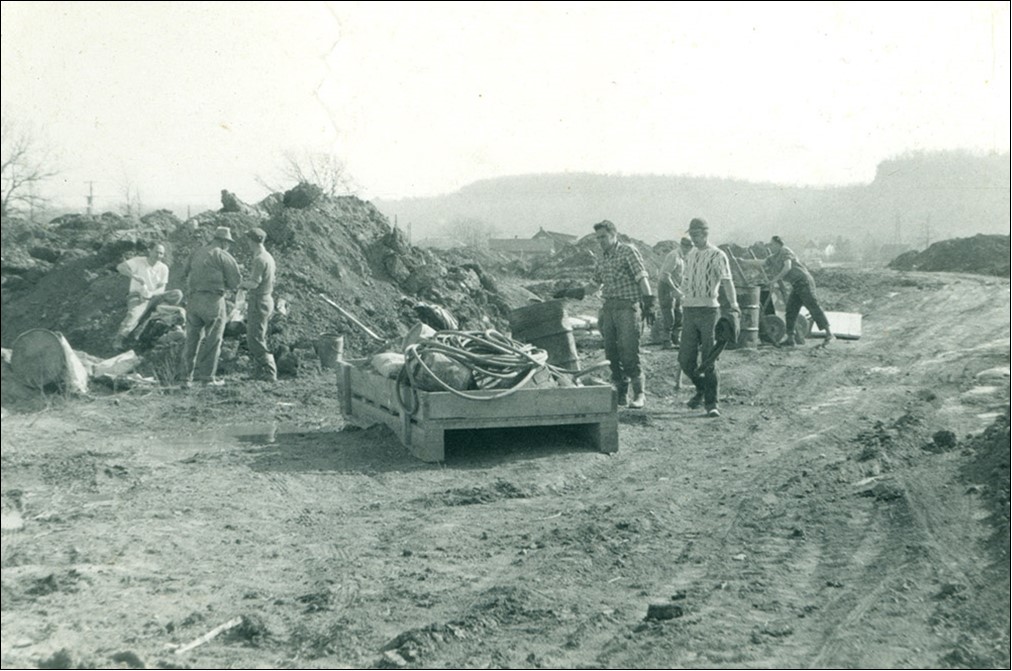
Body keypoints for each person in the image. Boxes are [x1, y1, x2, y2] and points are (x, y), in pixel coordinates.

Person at [554, 220, 655, 409]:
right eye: (598, 238)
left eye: (603, 237)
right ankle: (621, 394)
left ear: (614, 234)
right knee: (611, 353)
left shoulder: (628, 251)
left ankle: (639, 394)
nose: (600, 241)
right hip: (608, 309)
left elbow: (642, 277)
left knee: (629, 351)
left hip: (627, 308)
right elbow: (594, 286)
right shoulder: (602, 258)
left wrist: (649, 302)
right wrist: (571, 292)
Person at [675, 217, 739, 418]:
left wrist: (734, 305)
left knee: (709, 359)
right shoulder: (691, 255)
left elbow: (727, 282)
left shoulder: (717, 255)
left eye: (696, 234)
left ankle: (712, 404)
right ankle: (702, 389)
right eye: (691, 234)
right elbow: (685, 281)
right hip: (689, 311)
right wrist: (679, 296)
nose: (692, 239)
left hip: (709, 311)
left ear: (705, 233)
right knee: (685, 359)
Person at [179, 226, 242, 387]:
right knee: (213, 338)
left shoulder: (197, 252)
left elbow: (185, 272)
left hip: (193, 300)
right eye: (227, 243)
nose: (228, 246)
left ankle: (185, 379)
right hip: (213, 300)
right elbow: (236, 283)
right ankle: (207, 377)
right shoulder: (223, 255)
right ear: (223, 241)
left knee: (191, 339)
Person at [764, 235, 835, 347]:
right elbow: (762, 263)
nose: (770, 247)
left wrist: (774, 280)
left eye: (772, 244)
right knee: (791, 310)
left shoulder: (785, 251)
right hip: (796, 284)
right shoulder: (774, 257)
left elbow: (787, 267)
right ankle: (790, 339)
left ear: (778, 244)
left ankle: (829, 335)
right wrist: (743, 262)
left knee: (813, 307)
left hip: (804, 282)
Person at [112, 243, 183, 350]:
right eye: (156, 252)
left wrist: (151, 295)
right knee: (134, 314)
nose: (158, 255)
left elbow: (161, 288)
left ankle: (158, 310)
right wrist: (135, 276)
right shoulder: (139, 261)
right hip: (138, 295)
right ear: (150, 251)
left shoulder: (163, 268)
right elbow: (120, 267)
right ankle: (119, 339)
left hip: (155, 296)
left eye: (161, 253)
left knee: (177, 293)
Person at [240, 227, 277, 382]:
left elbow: (255, 283)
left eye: (248, 239)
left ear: (252, 241)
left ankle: (269, 372)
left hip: (259, 301)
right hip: (266, 299)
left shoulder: (259, 259)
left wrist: (240, 284)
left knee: (254, 339)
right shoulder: (267, 257)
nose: (247, 242)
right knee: (258, 335)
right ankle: (258, 372)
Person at [656, 237, 694, 348]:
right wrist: (674, 289)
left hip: (675, 287)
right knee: (669, 315)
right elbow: (665, 275)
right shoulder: (674, 256)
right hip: (666, 287)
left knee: (679, 313)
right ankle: (666, 341)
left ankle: (675, 339)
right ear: (685, 246)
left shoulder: (682, 257)